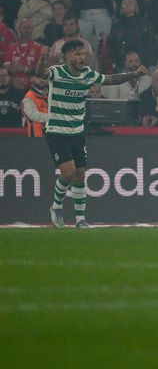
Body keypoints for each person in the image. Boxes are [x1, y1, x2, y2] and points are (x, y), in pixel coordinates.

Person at [35, 40, 147, 228]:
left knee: (79, 174)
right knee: (68, 172)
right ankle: (56, 206)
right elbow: (40, 73)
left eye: (83, 54)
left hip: (77, 132)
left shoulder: (88, 75)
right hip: (57, 130)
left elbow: (111, 79)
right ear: (67, 56)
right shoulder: (58, 72)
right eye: (77, 54)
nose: (82, 57)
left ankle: (80, 220)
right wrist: (42, 59)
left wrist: (135, 73)